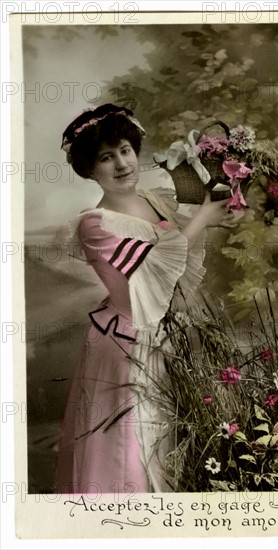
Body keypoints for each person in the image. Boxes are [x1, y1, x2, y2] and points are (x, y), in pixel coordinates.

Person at [55, 103, 238, 495]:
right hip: (125, 345)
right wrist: (205, 216)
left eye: (125, 150)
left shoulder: (154, 201)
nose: (121, 164)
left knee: (170, 444)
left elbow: (182, 247)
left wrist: (225, 206)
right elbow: (154, 271)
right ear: (90, 170)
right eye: (106, 158)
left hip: (166, 339)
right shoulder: (95, 224)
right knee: (130, 451)